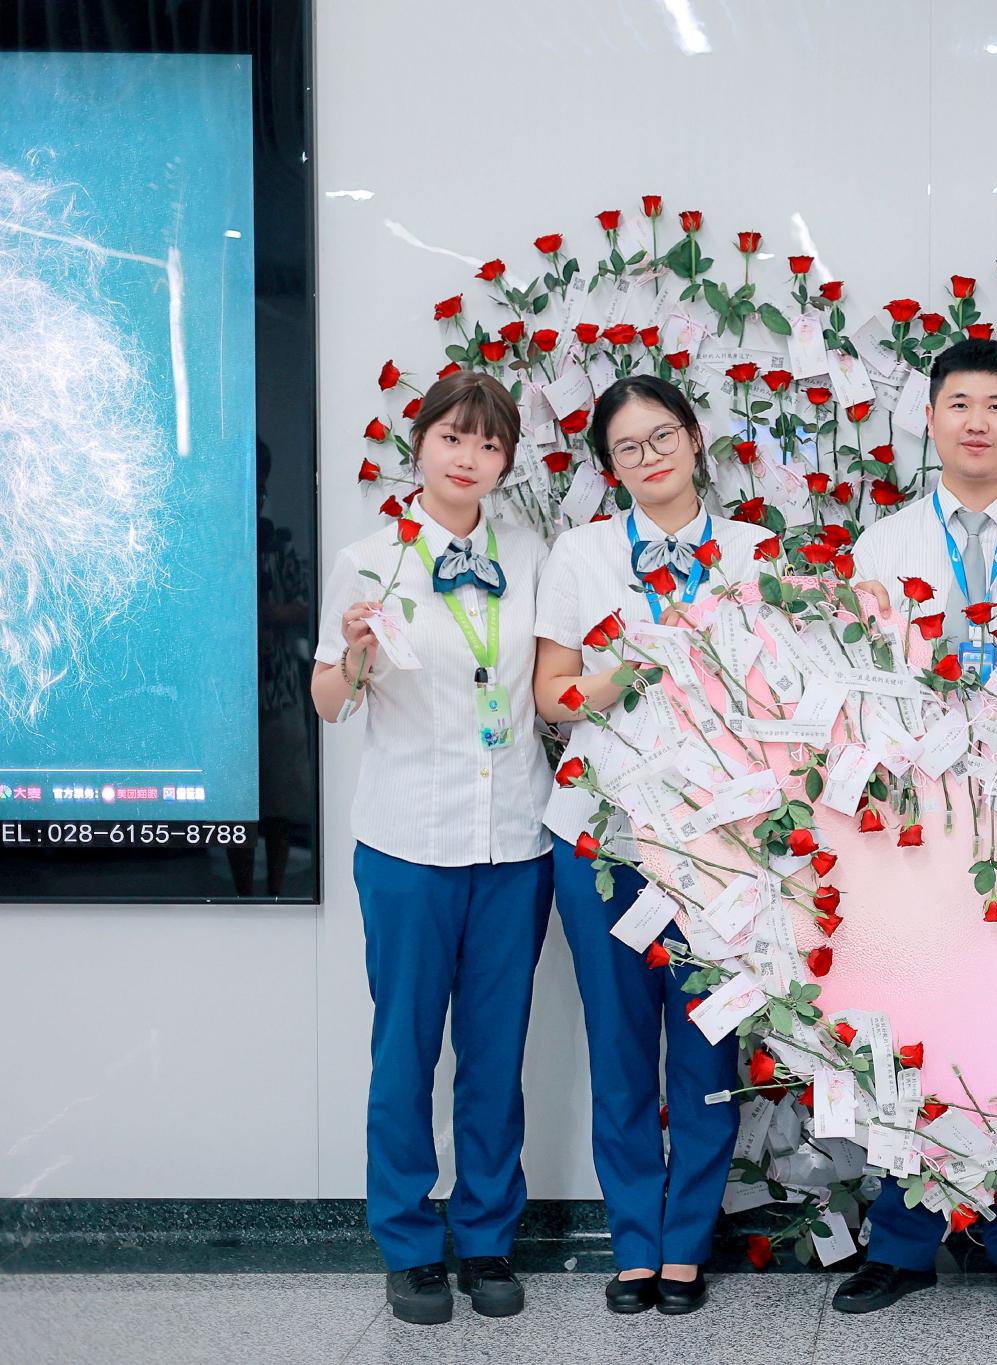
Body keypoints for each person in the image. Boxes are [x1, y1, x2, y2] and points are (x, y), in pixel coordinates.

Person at [835, 337, 997, 1317]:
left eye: (996, 405)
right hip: (918, 825)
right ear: (930, 419)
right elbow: (859, 687)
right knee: (909, 1020)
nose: (977, 421)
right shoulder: (884, 546)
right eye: (959, 403)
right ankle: (902, 1240)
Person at [311, 371, 553, 1325]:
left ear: (506, 461)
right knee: (406, 1050)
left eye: (489, 445)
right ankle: (409, 1245)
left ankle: (487, 1236)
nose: (468, 458)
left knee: (495, 1053)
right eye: (453, 437)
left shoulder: (530, 553)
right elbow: (330, 702)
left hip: (515, 841)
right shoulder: (369, 561)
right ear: (418, 444)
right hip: (408, 842)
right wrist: (356, 655)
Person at [532, 373, 758, 1315]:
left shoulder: (754, 553)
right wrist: (620, 674)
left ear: (695, 439)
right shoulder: (582, 553)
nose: (650, 457)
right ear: (608, 467)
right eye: (628, 447)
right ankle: (634, 1239)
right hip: (602, 836)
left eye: (663, 436)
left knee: (706, 1047)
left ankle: (685, 1244)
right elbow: (551, 693)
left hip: (718, 842)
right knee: (619, 1043)